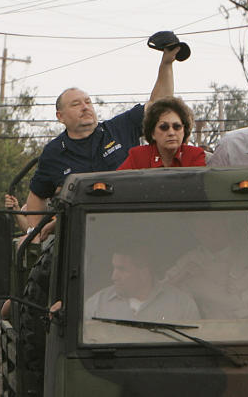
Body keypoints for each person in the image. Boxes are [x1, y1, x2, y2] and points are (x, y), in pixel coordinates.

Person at [23, 45, 180, 228]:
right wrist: (34, 234)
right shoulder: (53, 152)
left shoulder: (120, 127)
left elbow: (159, 105)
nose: (85, 107)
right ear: (60, 116)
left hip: (134, 224)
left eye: (88, 102)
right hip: (81, 237)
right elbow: (37, 194)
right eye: (76, 104)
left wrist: (166, 63)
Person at [161, 214, 248, 319]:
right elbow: (159, 293)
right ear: (195, 234)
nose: (211, 234)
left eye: (214, 228)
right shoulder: (190, 260)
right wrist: (183, 274)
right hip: (219, 331)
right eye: (203, 231)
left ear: (225, 225)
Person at [85, 247, 200, 322]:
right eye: (114, 268)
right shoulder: (96, 305)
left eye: (122, 269)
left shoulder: (182, 304)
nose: (114, 277)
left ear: (144, 273)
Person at [118, 97, 206, 169]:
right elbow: (118, 184)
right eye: (164, 127)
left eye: (177, 127)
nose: (171, 132)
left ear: (184, 130)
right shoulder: (137, 156)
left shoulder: (195, 155)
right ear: (152, 133)